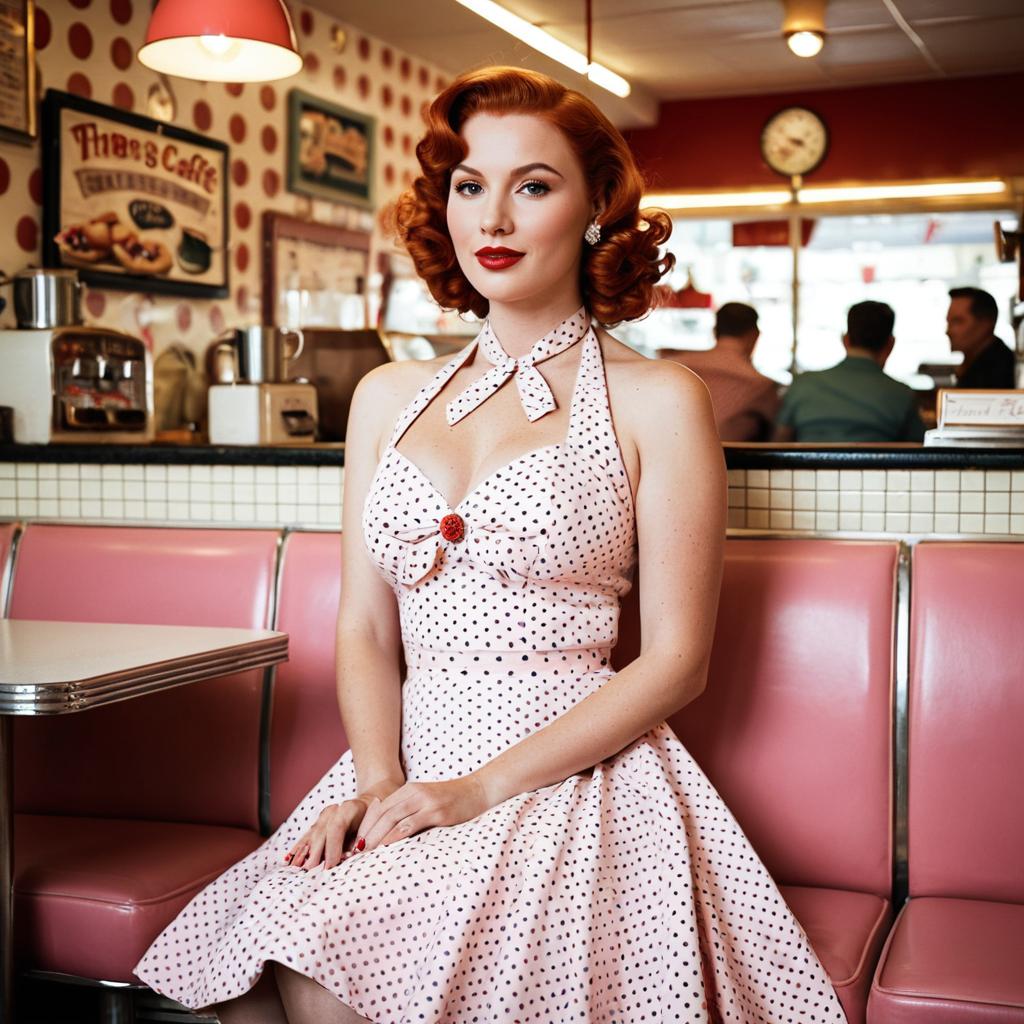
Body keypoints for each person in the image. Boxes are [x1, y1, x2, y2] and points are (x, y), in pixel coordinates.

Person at [135, 67, 846, 1024]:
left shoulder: (660, 399)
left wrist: (473, 793)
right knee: (246, 979)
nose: (494, 218)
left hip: (564, 773)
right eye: (470, 185)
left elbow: (677, 663)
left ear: (597, 206)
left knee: (322, 974)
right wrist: (384, 786)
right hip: (403, 761)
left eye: (534, 185)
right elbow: (366, 624)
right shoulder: (388, 394)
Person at [774, 300, 926, 443]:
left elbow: (778, 443)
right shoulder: (901, 394)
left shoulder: (803, 384)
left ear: (845, 340)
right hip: (873, 470)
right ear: (890, 344)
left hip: (807, 470)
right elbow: (920, 451)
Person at [663, 301, 780, 440]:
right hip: (728, 458)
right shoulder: (760, 384)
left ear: (714, 332)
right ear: (754, 335)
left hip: (665, 450)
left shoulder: (674, 365)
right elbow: (778, 432)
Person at [946, 286, 1016, 389]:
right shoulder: (973, 364)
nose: (948, 331)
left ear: (985, 323)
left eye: (957, 321)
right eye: (948, 322)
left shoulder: (1000, 371)